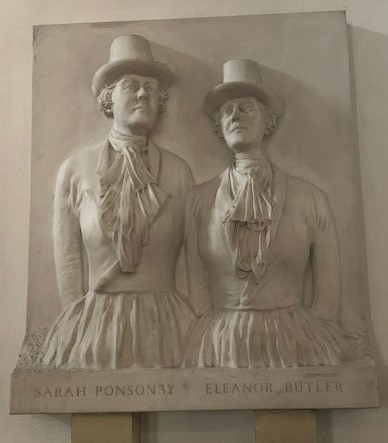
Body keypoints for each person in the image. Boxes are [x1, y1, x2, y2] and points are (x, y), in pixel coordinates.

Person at [39, 35, 195, 370]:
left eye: (151, 88)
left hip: (167, 322)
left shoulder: (179, 172)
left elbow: (194, 257)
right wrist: (75, 319)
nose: (143, 94)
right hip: (97, 320)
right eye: (131, 85)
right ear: (108, 98)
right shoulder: (76, 170)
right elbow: (68, 257)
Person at [183, 59, 349, 368]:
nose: (235, 116)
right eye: (226, 111)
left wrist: (317, 330)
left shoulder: (311, 199)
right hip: (220, 344)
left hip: (296, 342)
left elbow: (328, 294)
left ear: (269, 121)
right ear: (218, 126)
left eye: (246, 108)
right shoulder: (198, 201)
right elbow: (197, 287)